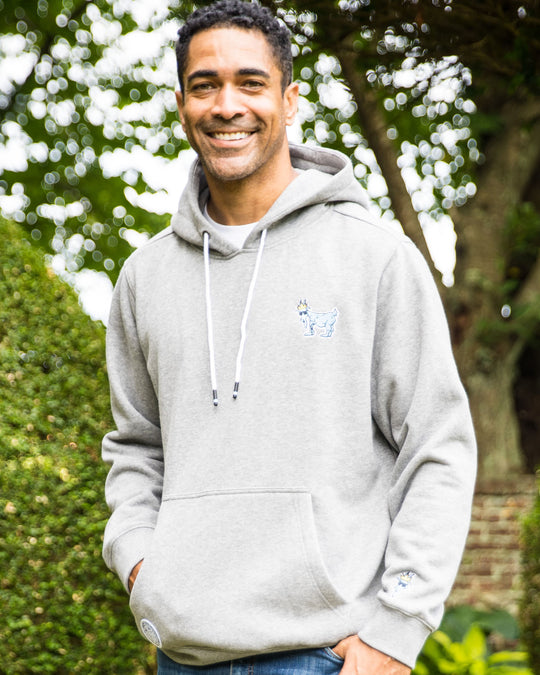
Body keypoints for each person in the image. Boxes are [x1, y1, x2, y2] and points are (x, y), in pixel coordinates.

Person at [101, 1, 477, 674]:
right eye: (204, 85)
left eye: (250, 83)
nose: (227, 106)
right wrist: (140, 562)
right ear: (182, 104)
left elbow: (437, 448)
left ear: (290, 99)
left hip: (327, 655)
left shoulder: (375, 258)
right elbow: (136, 444)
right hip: (185, 654)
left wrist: (395, 632)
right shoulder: (144, 277)